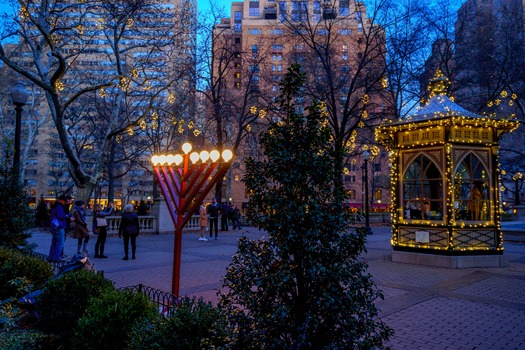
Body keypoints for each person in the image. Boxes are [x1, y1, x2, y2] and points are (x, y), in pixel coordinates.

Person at [48, 195, 74, 262]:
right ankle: (57, 258)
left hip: (54, 226)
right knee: (60, 243)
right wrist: (69, 216)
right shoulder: (59, 206)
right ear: (62, 200)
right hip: (60, 227)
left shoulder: (54, 206)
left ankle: (51, 257)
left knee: (54, 243)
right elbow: (61, 216)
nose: (66, 201)